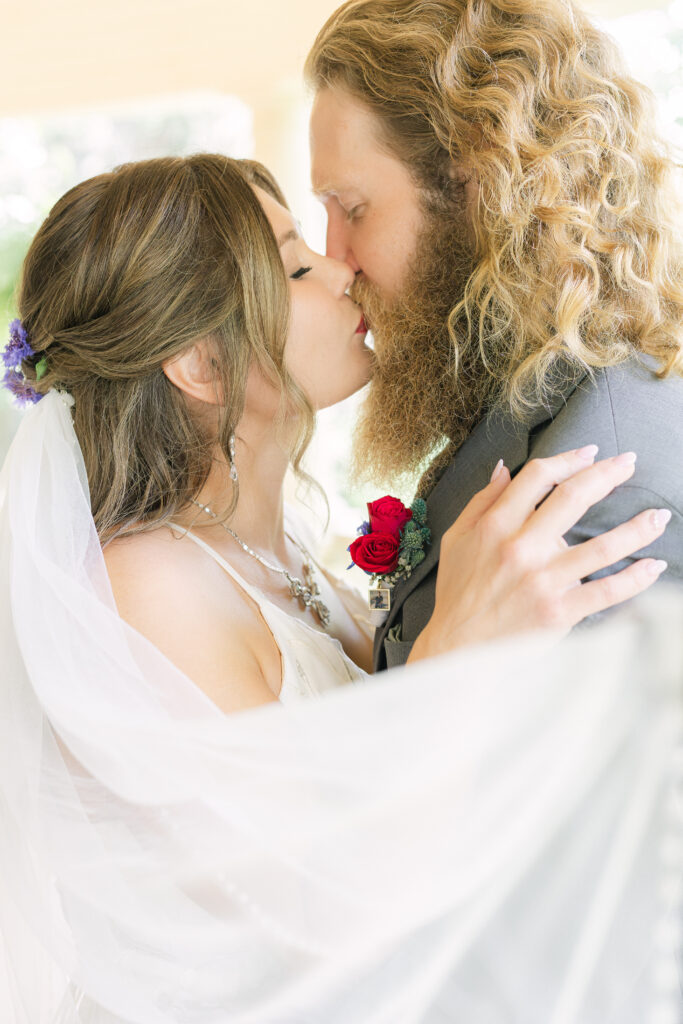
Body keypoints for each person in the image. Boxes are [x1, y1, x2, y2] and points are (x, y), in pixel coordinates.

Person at [0, 154, 677, 1022]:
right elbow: (297, 920)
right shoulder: (145, 586)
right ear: (201, 366)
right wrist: (459, 652)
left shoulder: (288, 553)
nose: (342, 268)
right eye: (293, 266)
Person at [305, 0, 683, 670]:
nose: (336, 255)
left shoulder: (598, 478)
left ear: (478, 183)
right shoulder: (539, 390)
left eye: (353, 208)